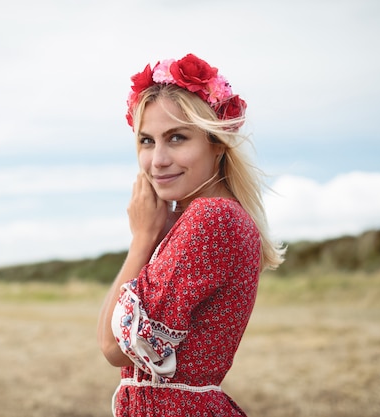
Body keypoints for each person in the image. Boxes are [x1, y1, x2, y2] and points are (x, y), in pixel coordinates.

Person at [97, 54, 286, 416]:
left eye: (177, 138)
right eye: (147, 141)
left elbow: (113, 347)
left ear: (217, 143)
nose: (158, 160)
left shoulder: (211, 218)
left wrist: (142, 240)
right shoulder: (212, 217)